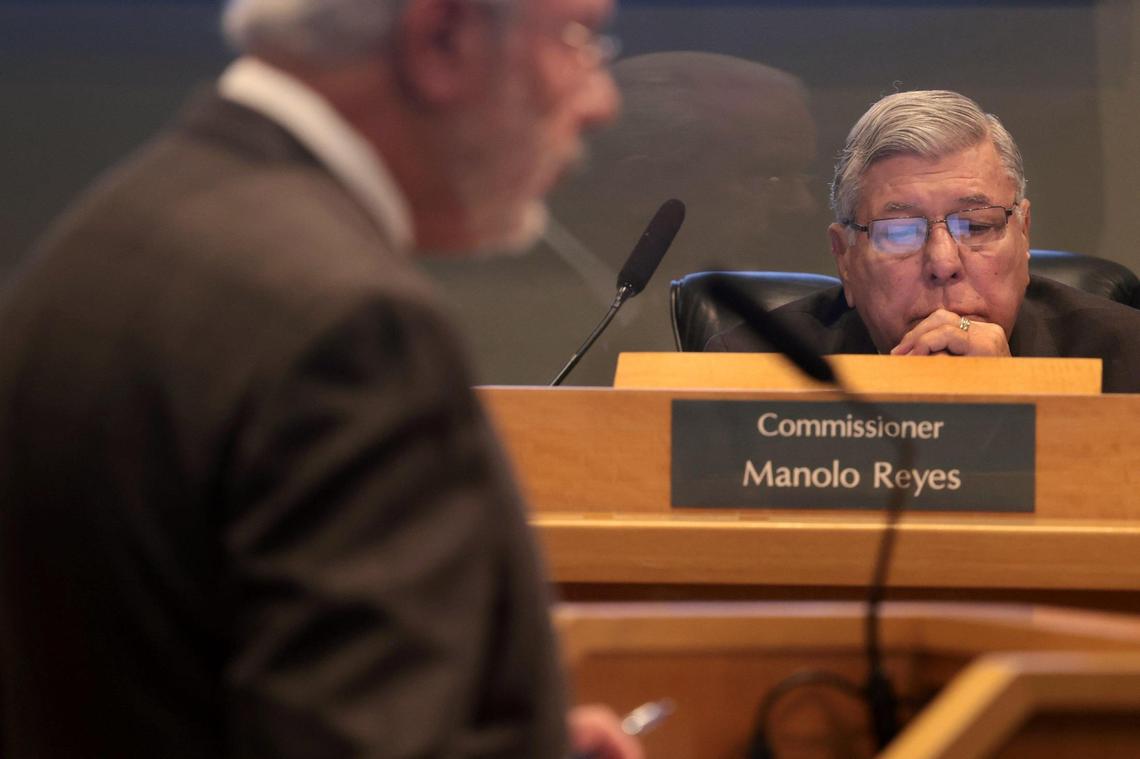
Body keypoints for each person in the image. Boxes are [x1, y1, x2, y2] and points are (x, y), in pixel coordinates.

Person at [0, 0, 642, 757]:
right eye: (577, 40)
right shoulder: (349, 326)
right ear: (442, 37)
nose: (603, 101)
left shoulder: (117, 233)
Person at [706, 89, 1140, 393]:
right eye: (899, 232)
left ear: (1022, 236)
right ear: (845, 260)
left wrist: (1017, 402)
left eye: (977, 225)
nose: (943, 261)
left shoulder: (1126, 359)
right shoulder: (752, 369)